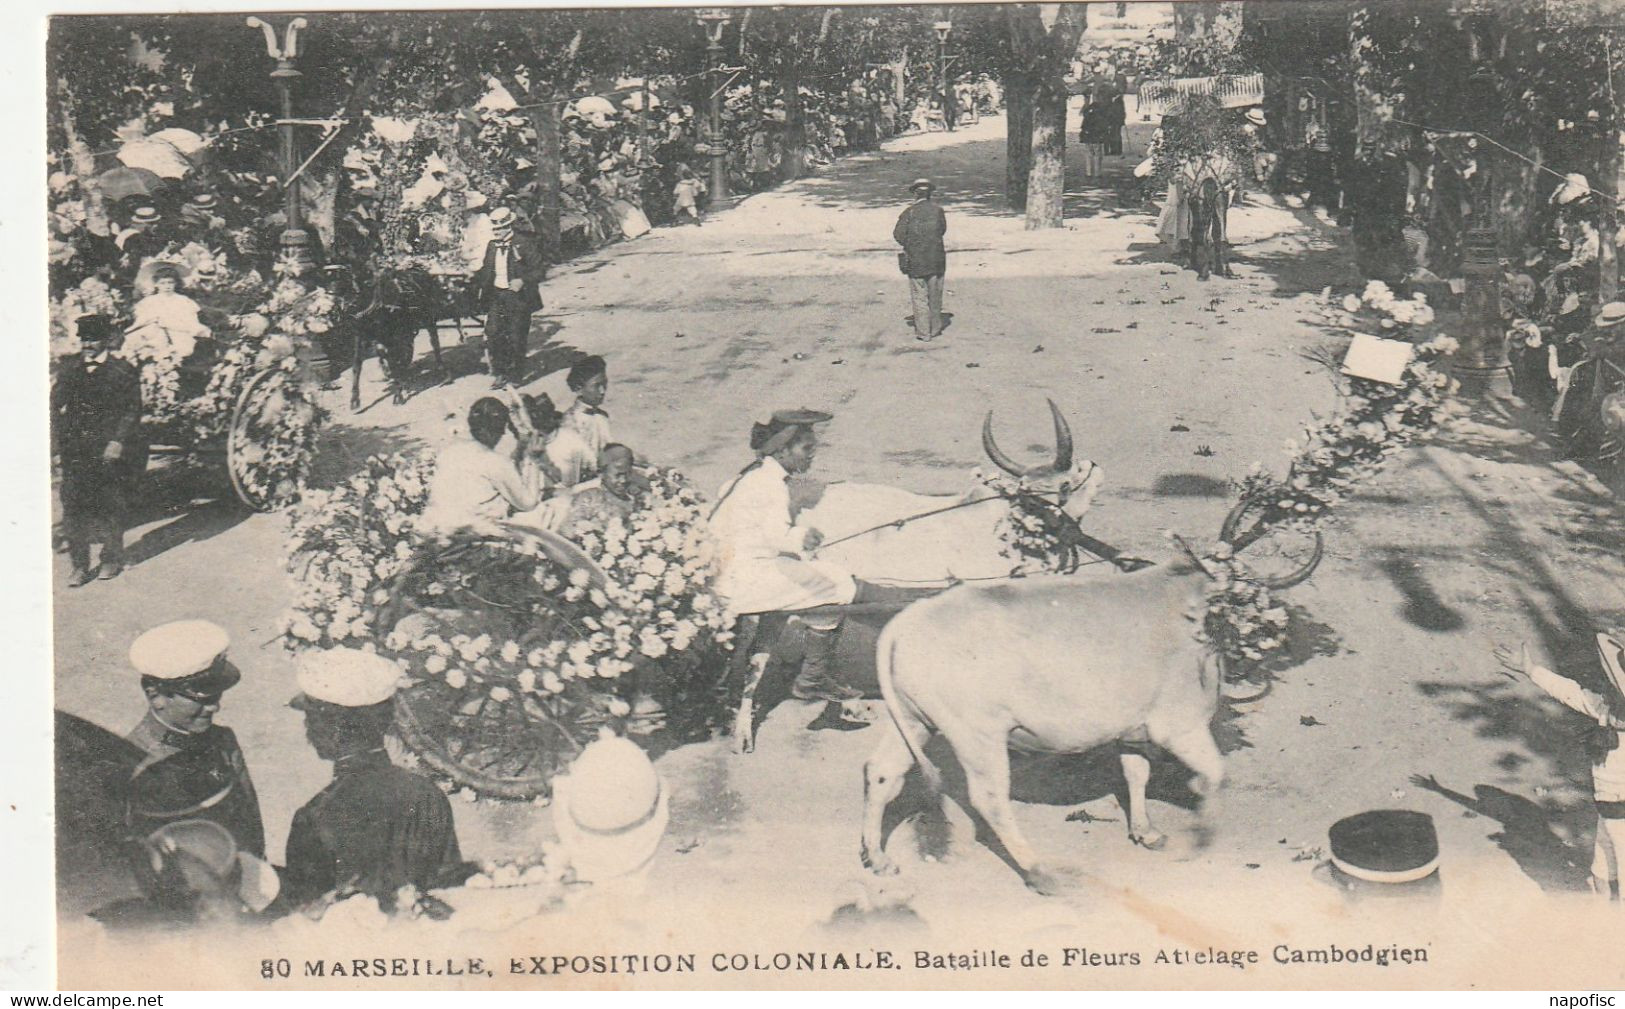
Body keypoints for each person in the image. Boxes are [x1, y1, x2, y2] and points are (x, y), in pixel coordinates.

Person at [279, 648, 471, 912]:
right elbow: (450, 888)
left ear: (330, 728)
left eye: (311, 717)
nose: (307, 727)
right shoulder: (427, 794)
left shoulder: (315, 816)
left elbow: (306, 918)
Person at [124, 619, 266, 860]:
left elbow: (250, 822)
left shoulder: (223, 741)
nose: (215, 707)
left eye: (217, 696)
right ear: (155, 695)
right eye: (202, 699)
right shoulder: (130, 766)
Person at [1497, 635, 1625, 900]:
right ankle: (1603, 921)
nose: (1607, 687)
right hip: (1607, 813)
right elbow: (1570, 692)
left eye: (1614, 685)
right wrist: (1531, 669)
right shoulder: (1604, 710)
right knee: (1602, 872)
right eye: (1612, 683)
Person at [52, 314, 146, 586]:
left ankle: (111, 559)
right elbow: (53, 407)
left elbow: (132, 409)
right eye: (83, 339)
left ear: (105, 340)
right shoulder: (70, 369)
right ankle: (80, 566)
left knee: (111, 504)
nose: (87, 345)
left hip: (109, 450)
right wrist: (57, 445)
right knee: (73, 506)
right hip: (76, 450)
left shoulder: (123, 370)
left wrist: (118, 441)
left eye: (92, 339)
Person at [418, 396, 564, 536]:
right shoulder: (495, 461)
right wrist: (533, 459)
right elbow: (528, 503)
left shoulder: (449, 451)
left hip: (438, 528)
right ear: (499, 431)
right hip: (474, 534)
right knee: (549, 510)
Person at [473, 206, 545, 389]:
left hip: (518, 297)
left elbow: (539, 270)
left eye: (499, 229)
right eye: (494, 229)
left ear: (509, 227)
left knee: (516, 336)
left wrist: (523, 280)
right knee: (493, 333)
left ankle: (515, 375)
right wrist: (471, 276)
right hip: (497, 295)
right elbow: (485, 271)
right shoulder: (491, 246)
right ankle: (500, 372)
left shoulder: (524, 242)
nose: (496, 232)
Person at [893, 178, 948, 341]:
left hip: (916, 260)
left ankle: (923, 333)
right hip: (936, 259)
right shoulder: (938, 211)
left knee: (919, 296)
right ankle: (935, 328)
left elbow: (898, 235)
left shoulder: (908, 212)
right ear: (930, 194)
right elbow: (942, 230)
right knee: (935, 295)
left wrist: (912, 244)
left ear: (915, 194)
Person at [125, 262, 211, 367]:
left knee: (183, 347)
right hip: (154, 332)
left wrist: (170, 324)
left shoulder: (184, 301)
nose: (167, 286)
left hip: (179, 331)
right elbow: (142, 321)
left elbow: (190, 321)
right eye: (163, 283)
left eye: (170, 282)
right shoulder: (148, 302)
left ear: (175, 283)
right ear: (156, 284)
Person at [550, 355, 611, 487]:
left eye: (604, 384)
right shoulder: (570, 423)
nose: (602, 391)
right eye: (596, 386)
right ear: (578, 389)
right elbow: (572, 473)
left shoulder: (602, 416)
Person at [564, 443, 642, 532]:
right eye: (618, 475)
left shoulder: (637, 497)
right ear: (601, 473)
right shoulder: (590, 498)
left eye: (628, 474)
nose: (623, 480)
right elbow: (568, 530)